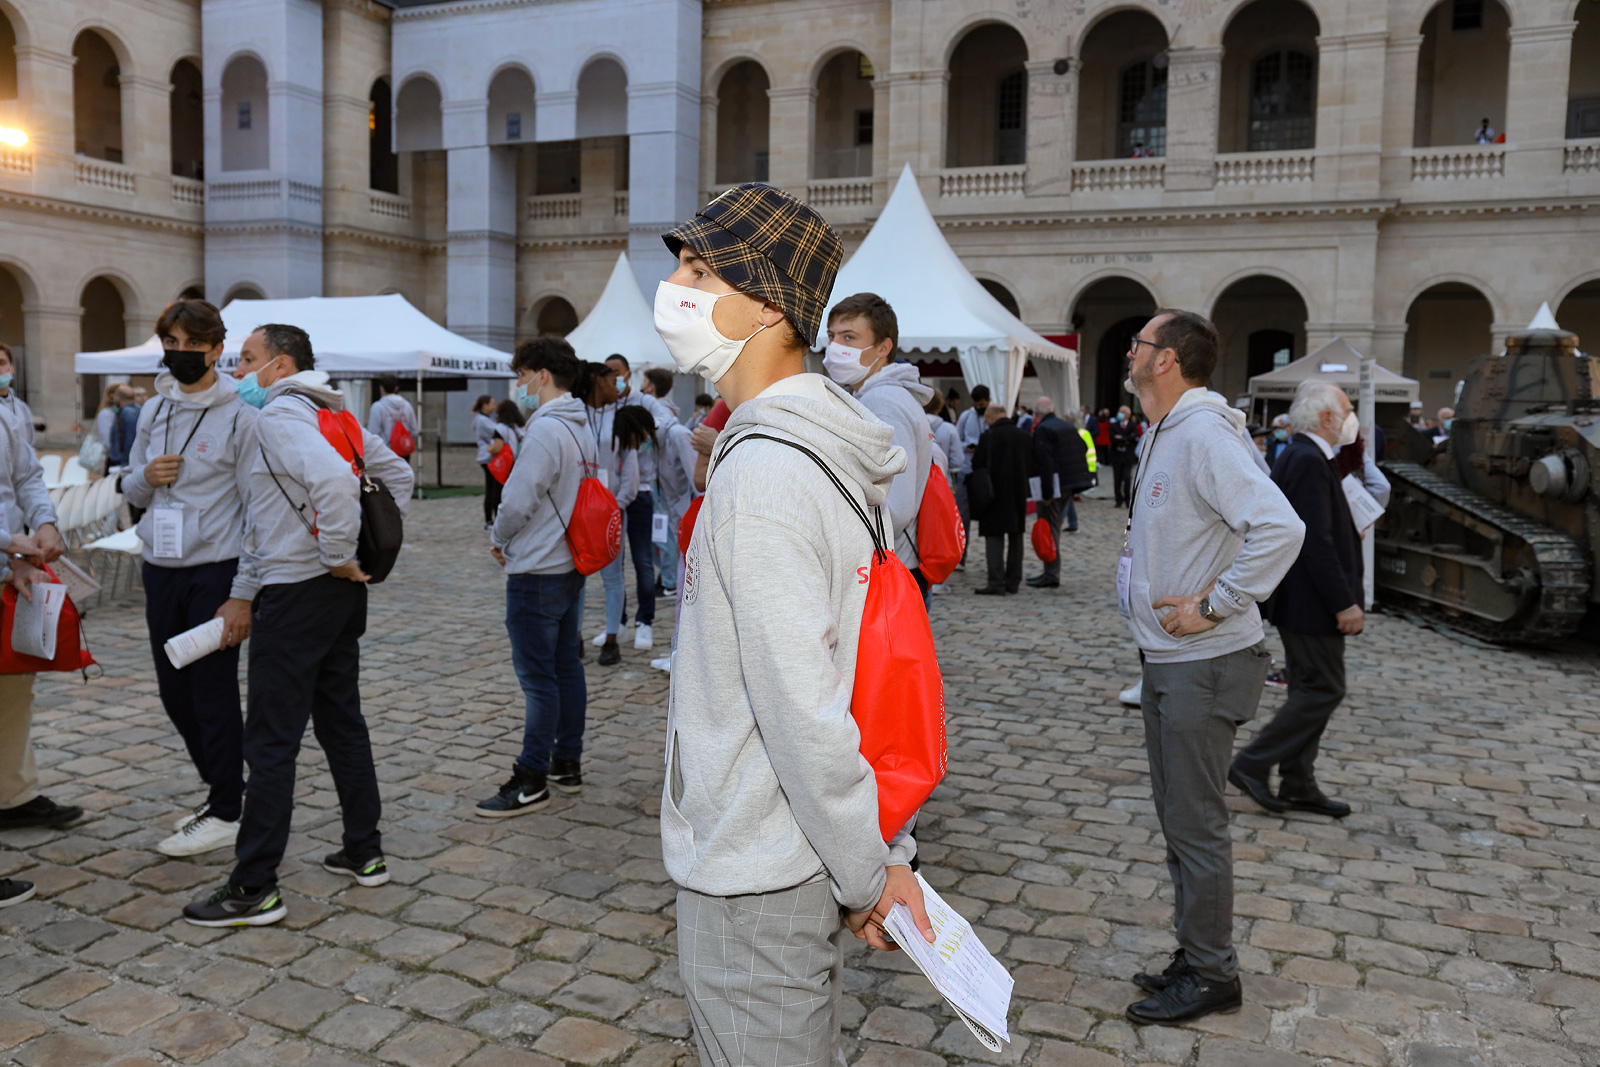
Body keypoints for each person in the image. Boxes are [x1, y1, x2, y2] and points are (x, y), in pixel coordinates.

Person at [655, 183, 934, 1067]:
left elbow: (803, 709)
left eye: (700, 270)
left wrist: (869, 870)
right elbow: (850, 673)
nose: (675, 286)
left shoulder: (765, 474)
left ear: (769, 304)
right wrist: (879, 851)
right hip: (793, 853)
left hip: (757, 866)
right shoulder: (817, 446)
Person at [182, 324, 414, 927]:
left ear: (281, 365)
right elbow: (399, 479)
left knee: (271, 742)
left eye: (248, 359)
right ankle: (364, 851)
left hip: (298, 593)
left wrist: (337, 551)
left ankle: (254, 886)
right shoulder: (333, 413)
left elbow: (336, 483)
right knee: (341, 722)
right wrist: (353, 554)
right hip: (335, 596)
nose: (238, 370)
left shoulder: (281, 416)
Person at [1120, 309, 1304, 1025]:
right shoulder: (1166, 431)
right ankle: (1196, 951)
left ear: (1166, 359)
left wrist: (1215, 603)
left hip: (1204, 660)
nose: (1129, 352)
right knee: (1181, 821)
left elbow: (1280, 527)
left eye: (1138, 343)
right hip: (1171, 660)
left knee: (1196, 826)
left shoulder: (1203, 433)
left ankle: (1212, 973)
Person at [122, 299, 259, 857]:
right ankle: (227, 791)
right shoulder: (154, 410)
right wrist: (145, 476)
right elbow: (129, 487)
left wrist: (243, 594)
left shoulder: (241, 416)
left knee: (212, 692)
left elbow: (257, 511)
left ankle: (227, 810)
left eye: (192, 345)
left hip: (215, 571)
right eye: (171, 344)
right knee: (175, 693)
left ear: (217, 350)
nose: (180, 353)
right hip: (161, 568)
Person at [1231, 380, 1363, 820]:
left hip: (1305, 601)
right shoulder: (1307, 458)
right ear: (1326, 418)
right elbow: (1314, 542)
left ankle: (1298, 781)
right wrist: (1344, 602)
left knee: (1309, 689)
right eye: (1347, 411)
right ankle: (1252, 763)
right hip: (1311, 604)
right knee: (1324, 689)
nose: (1351, 420)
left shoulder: (1306, 455)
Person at [478, 337, 597, 817]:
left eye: (522, 376)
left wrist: (499, 537)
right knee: (565, 667)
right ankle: (566, 760)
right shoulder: (580, 426)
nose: (520, 385)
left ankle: (530, 778)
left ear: (541, 375)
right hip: (568, 564)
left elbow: (517, 499)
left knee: (538, 678)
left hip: (538, 568)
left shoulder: (547, 428)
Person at [0, 371, 76, 842]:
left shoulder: (7, 408)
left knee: (13, 688)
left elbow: (25, 474)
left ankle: (13, 795)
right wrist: (9, 547)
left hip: (11, 567)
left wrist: (44, 523)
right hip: (9, 557)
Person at [824, 293, 935, 597]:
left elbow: (896, 507)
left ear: (883, 348)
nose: (835, 346)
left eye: (849, 337)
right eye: (832, 336)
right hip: (893, 561)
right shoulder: (883, 395)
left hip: (885, 566)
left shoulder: (882, 401)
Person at [603, 353, 668, 651]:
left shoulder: (645, 401)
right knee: (613, 563)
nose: (613, 378)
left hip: (641, 492)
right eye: (608, 373)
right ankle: (617, 623)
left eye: (617, 372)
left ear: (628, 373)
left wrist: (643, 432)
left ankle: (645, 621)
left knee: (642, 560)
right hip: (613, 494)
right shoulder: (606, 404)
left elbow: (665, 424)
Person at [595, 405, 650, 667]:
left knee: (614, 575)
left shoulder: (621, 430)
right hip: (586, 511)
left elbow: (630, 479)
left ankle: (613, 636)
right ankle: (576, 636)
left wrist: (615, 507)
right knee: (577, 578)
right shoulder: (586, 423)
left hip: (612, 511)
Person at [1026, 396, 1090, 588]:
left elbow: (1045, 462)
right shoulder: (1067, 426)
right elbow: (1082, 448)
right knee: (1054, 526)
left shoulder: (1043, 429)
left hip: (1056, 486)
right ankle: (1051, 571)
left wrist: (1046, 493)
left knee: (1050, 528)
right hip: (1069, 484)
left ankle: (1051, 573)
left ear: (1037, 413)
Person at [970, 404, 1031, 595]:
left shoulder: (988, 437)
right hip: (1018, 493)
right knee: (1016, 537)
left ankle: (996, 582)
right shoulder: (1023, 436)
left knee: (994, 538)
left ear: (990, 416)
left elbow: (977, 463)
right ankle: (1013, 581)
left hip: (993, 493)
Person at [955, 384, 989, 559]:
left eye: (981, 404)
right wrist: (966, 446)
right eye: (976, 404)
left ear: (988, 401)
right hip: (966, 470)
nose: (978, 407)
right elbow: (957, 439)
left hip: (985, 472)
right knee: (963, 515)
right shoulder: (966, 416)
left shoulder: (992, 415)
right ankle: (962, 556)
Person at [366, 373, 419, 453]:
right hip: (404, 449)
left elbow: (372, 432)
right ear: (396, 388)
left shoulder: (377, 407)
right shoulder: (407, 405)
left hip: (386, 451)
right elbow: (415, 431)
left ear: (381, 388)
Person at [472, 394, 499, 526]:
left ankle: (491, 519)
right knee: (492, 490)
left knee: (492, 489)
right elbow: (497, 432)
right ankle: (490, 520)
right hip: (488, 456)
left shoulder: (483, 419)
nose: (494, 407)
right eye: (492, 404)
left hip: (487, 456)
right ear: (485, 405)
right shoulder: (482, 420)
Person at [1109, 404, 1139, 507]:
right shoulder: (1114, 425)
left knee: (1127, 478)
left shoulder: (1132, 425)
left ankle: (1127, 499)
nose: (1119, 414)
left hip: (1127, 456)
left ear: (1127, 415)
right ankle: (1118, 500)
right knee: (1117, 479)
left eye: (1122, 412)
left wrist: (1122, 438)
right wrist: (1125, 439)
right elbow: (1112, 438)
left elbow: (1133, 437)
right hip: (1116, 455)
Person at [108, 384, 140, 467]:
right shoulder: (134, 410)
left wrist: (125, 462)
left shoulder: (128, 413)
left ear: (118, 398)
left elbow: (129, 438)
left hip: (124, 461)